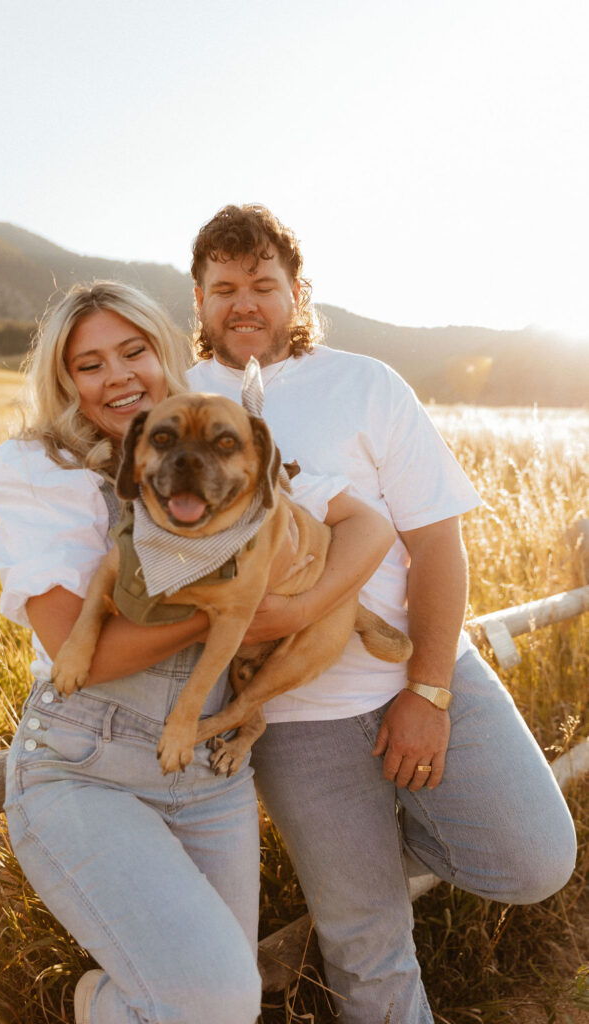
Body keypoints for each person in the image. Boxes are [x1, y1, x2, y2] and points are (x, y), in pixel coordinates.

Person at [186, 204, 578, 1024]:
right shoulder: (177, 400)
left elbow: (437, 545)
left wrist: (428, 690)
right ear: (199, 300)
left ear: (297, 292)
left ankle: (374, 834)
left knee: (534, 860)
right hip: (292, 722)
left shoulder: (364, 384)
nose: (244, 302)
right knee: (367, 947)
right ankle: (353, 862)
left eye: (263, 283)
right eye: (223, 287)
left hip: (418, 673)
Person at [0, 279, 396, 1024]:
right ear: (64, 380)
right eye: (89, 365)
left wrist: (293, 606)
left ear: (163, 351)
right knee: (215, 1001)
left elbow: (365, 527)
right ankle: (98, 1004)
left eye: (133, 351)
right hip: (87, 763)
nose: (117, 376)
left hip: (205, 773)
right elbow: (82, 653)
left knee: (219, 1008)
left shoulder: (228, 435)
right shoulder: (38, 469)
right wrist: (233, 606)